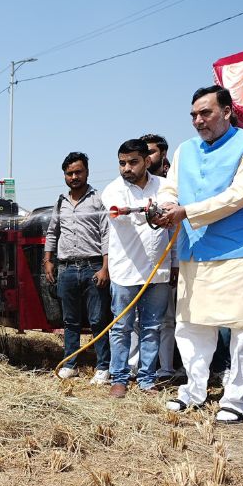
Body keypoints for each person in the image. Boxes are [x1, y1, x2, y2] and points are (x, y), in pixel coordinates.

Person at [155, 86, 243, 422]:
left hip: (239, 250)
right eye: (193, 115)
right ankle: (193, 390)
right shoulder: (184, 149)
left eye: (205, 112)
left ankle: (236, 398)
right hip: (194, 249)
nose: (198, 120)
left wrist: (186, 212)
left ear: (227, 111)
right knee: (190, 325)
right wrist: (165, 207)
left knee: (242, 326)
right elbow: (169, 188)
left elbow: (242, 194)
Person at [101, 140, 172, 397]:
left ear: (146, 161)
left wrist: (172, 264)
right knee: (121, 327)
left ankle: (146, 379)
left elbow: (170, 217)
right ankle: (119, 378)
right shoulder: (112, 190)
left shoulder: (164, 186)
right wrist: (151, 213)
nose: (126, 168)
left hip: (158, 271)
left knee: (152, 327)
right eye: (122, 163)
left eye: (133, 162)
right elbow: (120, 214)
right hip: (125, 272)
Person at [44, 152, 111, 383]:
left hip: (93, 266)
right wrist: (48, 260)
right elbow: (52, 232)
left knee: (97, 320)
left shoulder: (98, 200)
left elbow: (106, 234)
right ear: (64, 175)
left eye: (78, 172)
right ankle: (70, 364)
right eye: (69, 173)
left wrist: (105, 267)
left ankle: (103, 367)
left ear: (87, 172)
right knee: (69, 321)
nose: (74, 176)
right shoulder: (61, 201)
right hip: (67, 268)